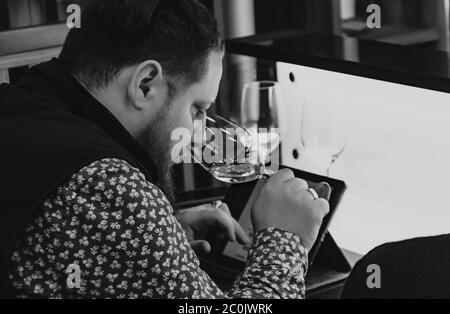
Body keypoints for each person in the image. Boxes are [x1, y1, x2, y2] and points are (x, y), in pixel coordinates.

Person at [0, 0, 329, 298]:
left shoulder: (20, 104)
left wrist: (163, 231)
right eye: (197, 109)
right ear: (145, 84)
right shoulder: (112, 191)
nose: (198, 131)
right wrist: (284, 239)